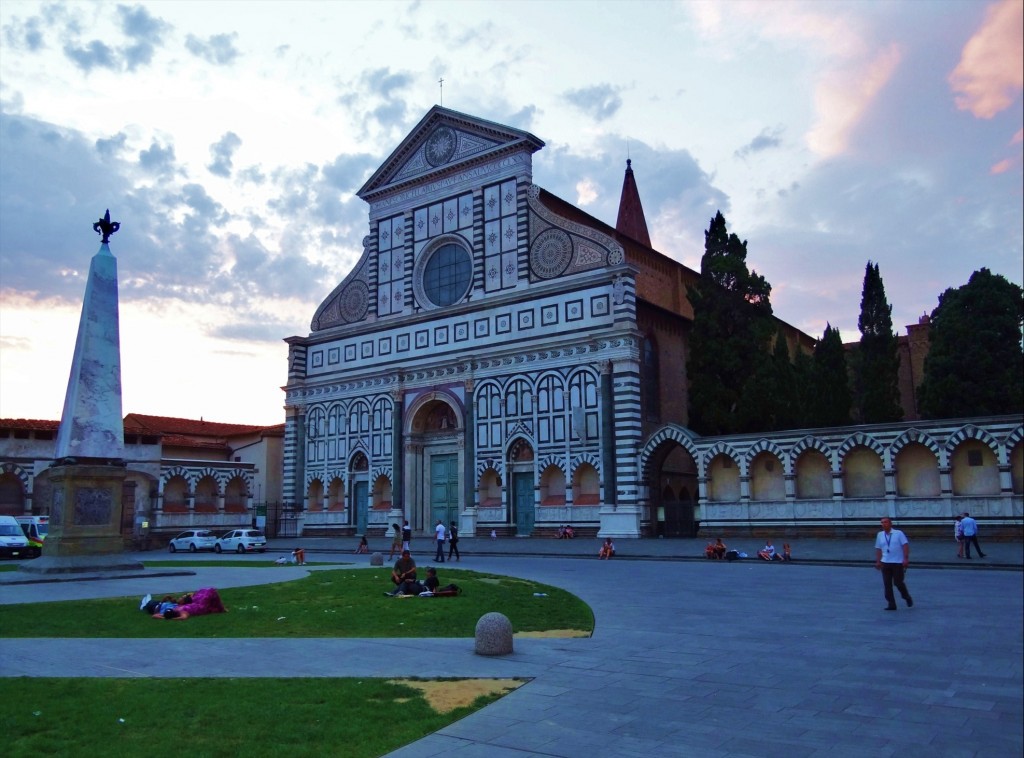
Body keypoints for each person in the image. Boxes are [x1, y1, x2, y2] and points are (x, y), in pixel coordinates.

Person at [874, 517, 912, 611]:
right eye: (882, 523)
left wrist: (905, 559)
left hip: (897, 562)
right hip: (885, 562)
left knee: (898, 582)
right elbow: (878, 548)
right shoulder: (880, 535)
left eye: (886, 522)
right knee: (887, 584)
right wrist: (878, 561)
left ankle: (906, 596)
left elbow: (905, 546)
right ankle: (891, 604)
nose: (883, 524)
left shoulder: (898, 533)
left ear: (890, 523)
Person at [153, 587, 227, 619]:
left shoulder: (177, 608)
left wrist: (166, 617)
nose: (181, 597)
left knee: (209, 593)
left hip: (198, 604)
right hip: (200, 606)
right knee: (211, 592)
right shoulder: (182, 611)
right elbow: (183, 617)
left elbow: (155, 615)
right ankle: (221, 609)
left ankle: (221, 608)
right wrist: (169, 617)